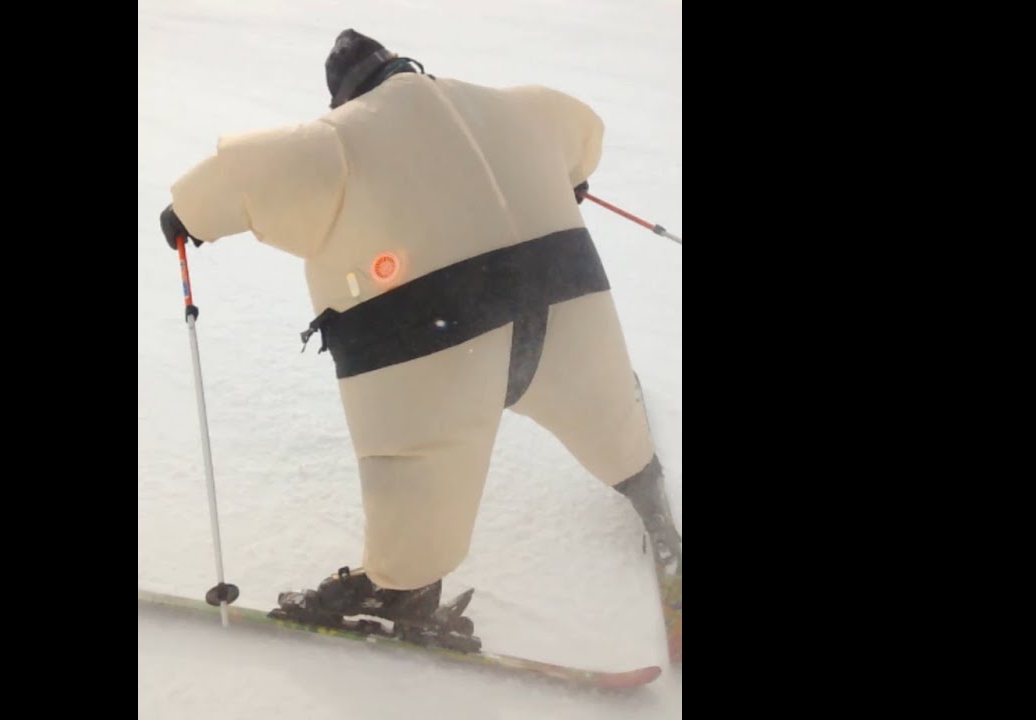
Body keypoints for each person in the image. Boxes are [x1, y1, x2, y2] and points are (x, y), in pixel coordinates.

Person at [159, 29, 681, 664]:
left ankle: (401, 589)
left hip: (435, 339)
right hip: (568, 305)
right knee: (605, 412)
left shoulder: (339, 138)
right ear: (403, 67)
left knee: (424, 471)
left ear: (345, 97)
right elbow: (581, 128)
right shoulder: (515, 105)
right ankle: (641, 478)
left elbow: (254, 170)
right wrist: (567, 175)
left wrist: (187, 212)